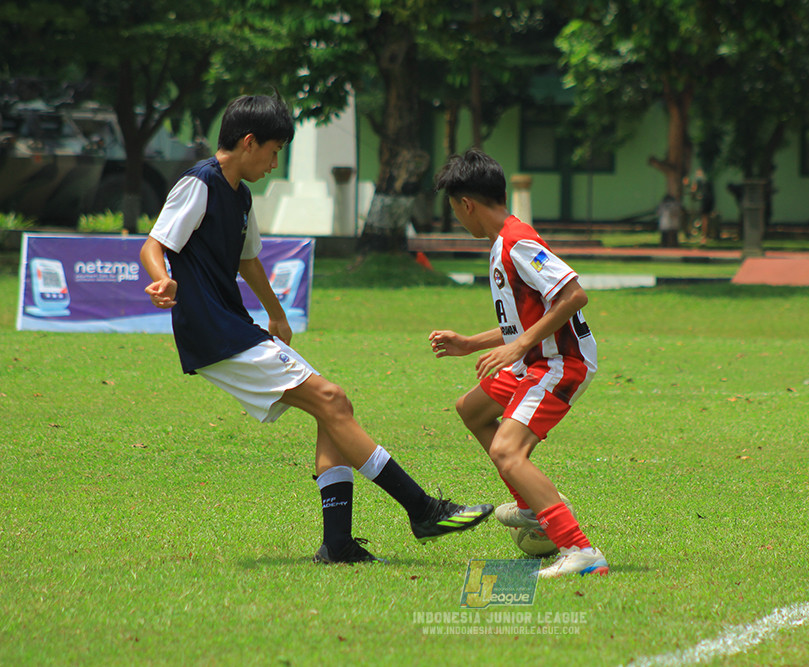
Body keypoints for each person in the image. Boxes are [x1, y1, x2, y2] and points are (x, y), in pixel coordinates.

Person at [139, 95, 492, 565]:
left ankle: (339, 544)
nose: (274, 161)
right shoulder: (198, 184)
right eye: (273, 150)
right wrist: (161, 278)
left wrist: (276, 313)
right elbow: (154, 244)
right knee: (329, 399)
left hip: (232, 324)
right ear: (248, 142)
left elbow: (247, 259)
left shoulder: (241, 194)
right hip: (211, 328)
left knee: (334, 404)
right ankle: (422, 509)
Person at [429, 148, 609, 579]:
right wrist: (472, 343)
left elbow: (574, 296)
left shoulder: (518, 241)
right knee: (472, 408)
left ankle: (580, 550)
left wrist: (519, 347)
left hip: (561, 363)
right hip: (536, 358)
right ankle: (531, 508)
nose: (458, 219)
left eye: (456, 210)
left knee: (508, 452)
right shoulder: (501, 245)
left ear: (466, 204)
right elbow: (524, 321)